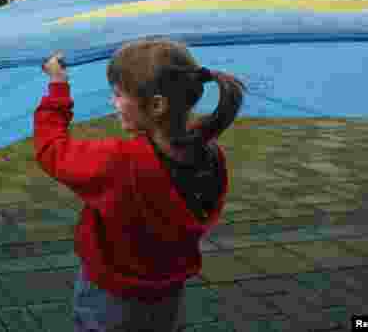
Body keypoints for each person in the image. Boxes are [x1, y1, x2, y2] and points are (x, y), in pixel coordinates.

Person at [34, 40, 244, 331]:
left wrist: (58, 85)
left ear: (157, 105)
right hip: (169, 297)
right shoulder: (212, 157)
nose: (112, 103)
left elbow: (52, 150)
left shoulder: (120, 163)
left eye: (119, 94)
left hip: (110, 300)